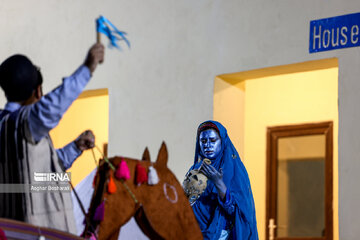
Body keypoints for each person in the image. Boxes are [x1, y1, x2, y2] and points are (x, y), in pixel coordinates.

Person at [0, 43, 104, 234]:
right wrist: (88, 67)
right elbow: (53, 105)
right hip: (40, 235)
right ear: (38, 91)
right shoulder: (24, 123)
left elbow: (38, 176)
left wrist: (74, 148)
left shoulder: (3, 126)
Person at [185, 120, 258, 240]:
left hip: (219, 234)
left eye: (213, 140)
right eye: (203, 141)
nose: (207, 145)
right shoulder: (195, 169)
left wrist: (218, 182)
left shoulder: (233, 169)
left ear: (222, 141)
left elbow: (237, 212)